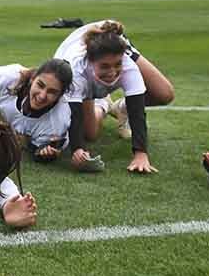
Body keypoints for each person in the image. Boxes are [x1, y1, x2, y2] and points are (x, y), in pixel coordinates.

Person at [53, 20, 175, 174]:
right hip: (81, 71)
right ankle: (103, 103)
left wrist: (141, 154)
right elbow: (74, 115)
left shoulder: (128, 65)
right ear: (90, 62)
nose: (112, 72)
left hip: (108, 37)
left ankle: (121, 107)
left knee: (165, 94)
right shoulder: (75, 71)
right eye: (105, 66)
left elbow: (138, 112)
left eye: (117, 64)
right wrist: (78, 150)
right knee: (90, 133)